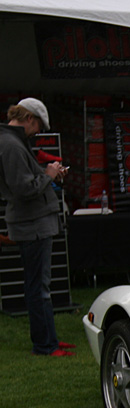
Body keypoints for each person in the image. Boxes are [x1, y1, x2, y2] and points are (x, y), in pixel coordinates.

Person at [0, 97, 74, 357]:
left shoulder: (12, 142)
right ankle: (45, 345)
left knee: (40, 286)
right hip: (31, 224)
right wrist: (49, 175)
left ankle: (49, 340)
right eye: (39, 125)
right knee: (38, 287)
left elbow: (24, 183)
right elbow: (24, 189)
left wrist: (47, 173)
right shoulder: (11, 144)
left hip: (32, 223)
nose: (39, 131)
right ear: (29, 118)